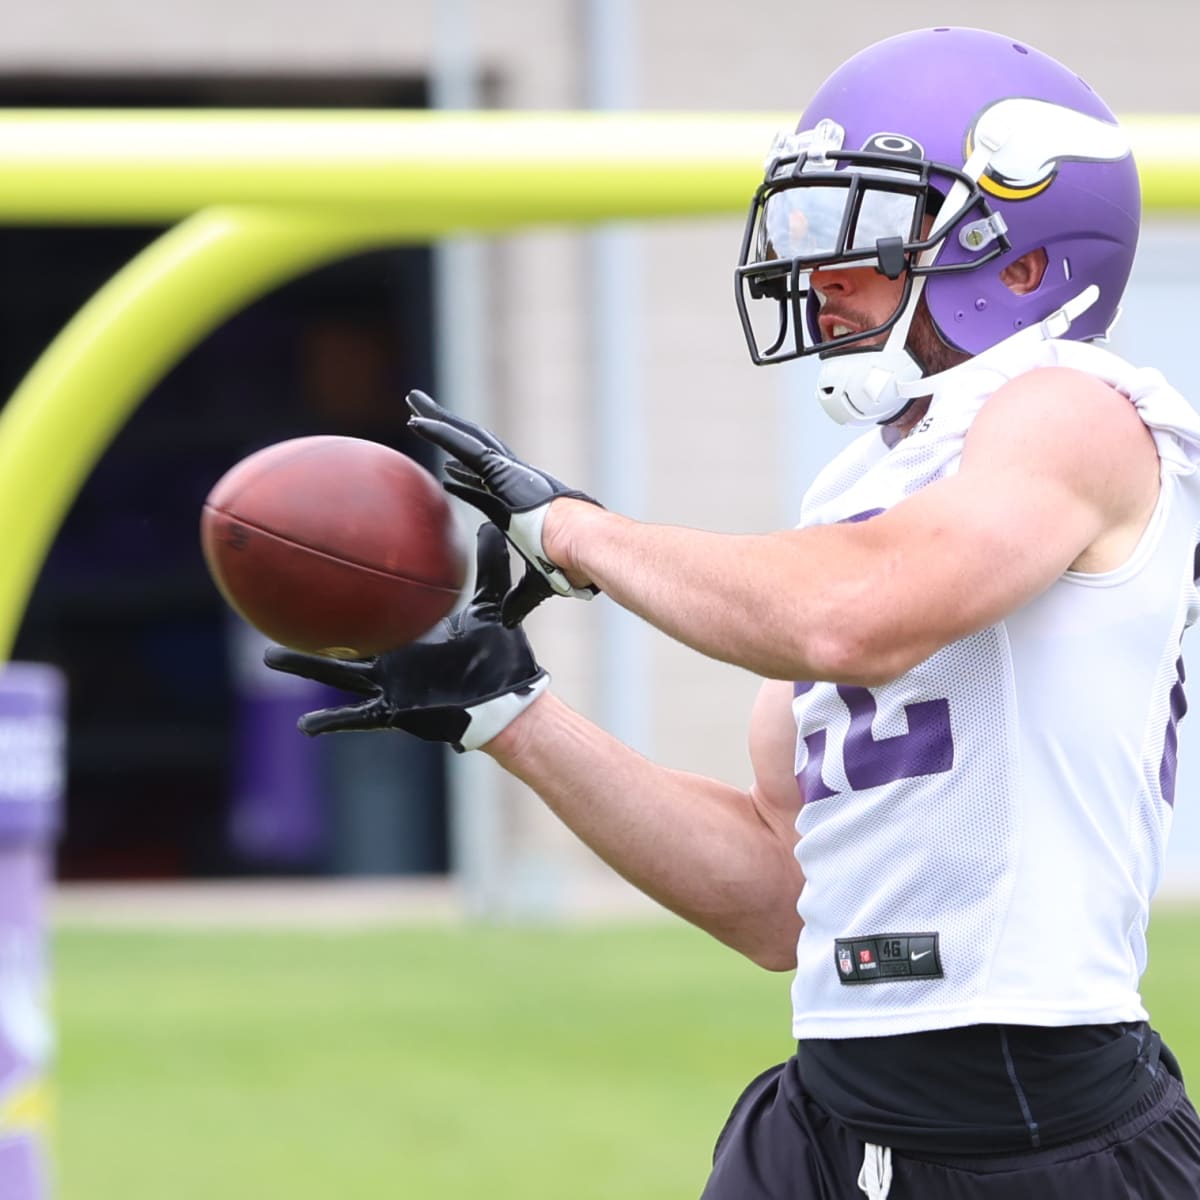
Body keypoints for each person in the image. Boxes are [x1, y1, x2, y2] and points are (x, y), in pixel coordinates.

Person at [264, 26, 1200, 1199]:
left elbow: (859, 619)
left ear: (1022, 264)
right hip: (828, 1111)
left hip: (1029, 1119)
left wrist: (573, 528)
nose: (817, 270)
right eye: (811, 227)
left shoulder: (1077, 411)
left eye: (861, 229)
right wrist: (511, 714)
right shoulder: (863, 485)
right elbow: (779, 900)